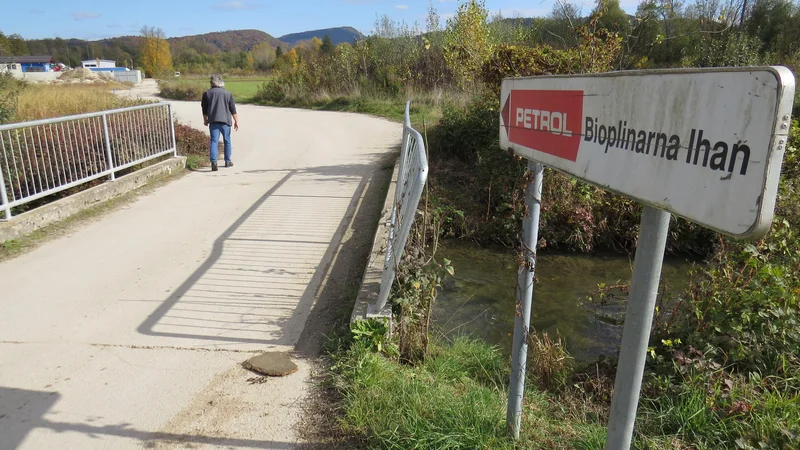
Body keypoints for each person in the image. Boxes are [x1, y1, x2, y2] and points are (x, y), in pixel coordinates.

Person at [201, 74, 239, 171]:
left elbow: (204, 109)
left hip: (213, 121)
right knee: (227, 140)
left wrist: (205, 119)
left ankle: (214, 162)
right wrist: (236, 121)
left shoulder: (207, 93)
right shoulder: (228, 94)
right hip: (225, 121)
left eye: (210, 82)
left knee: (214, 141)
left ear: (213, 83)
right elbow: (232, 109)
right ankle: (227, 161)